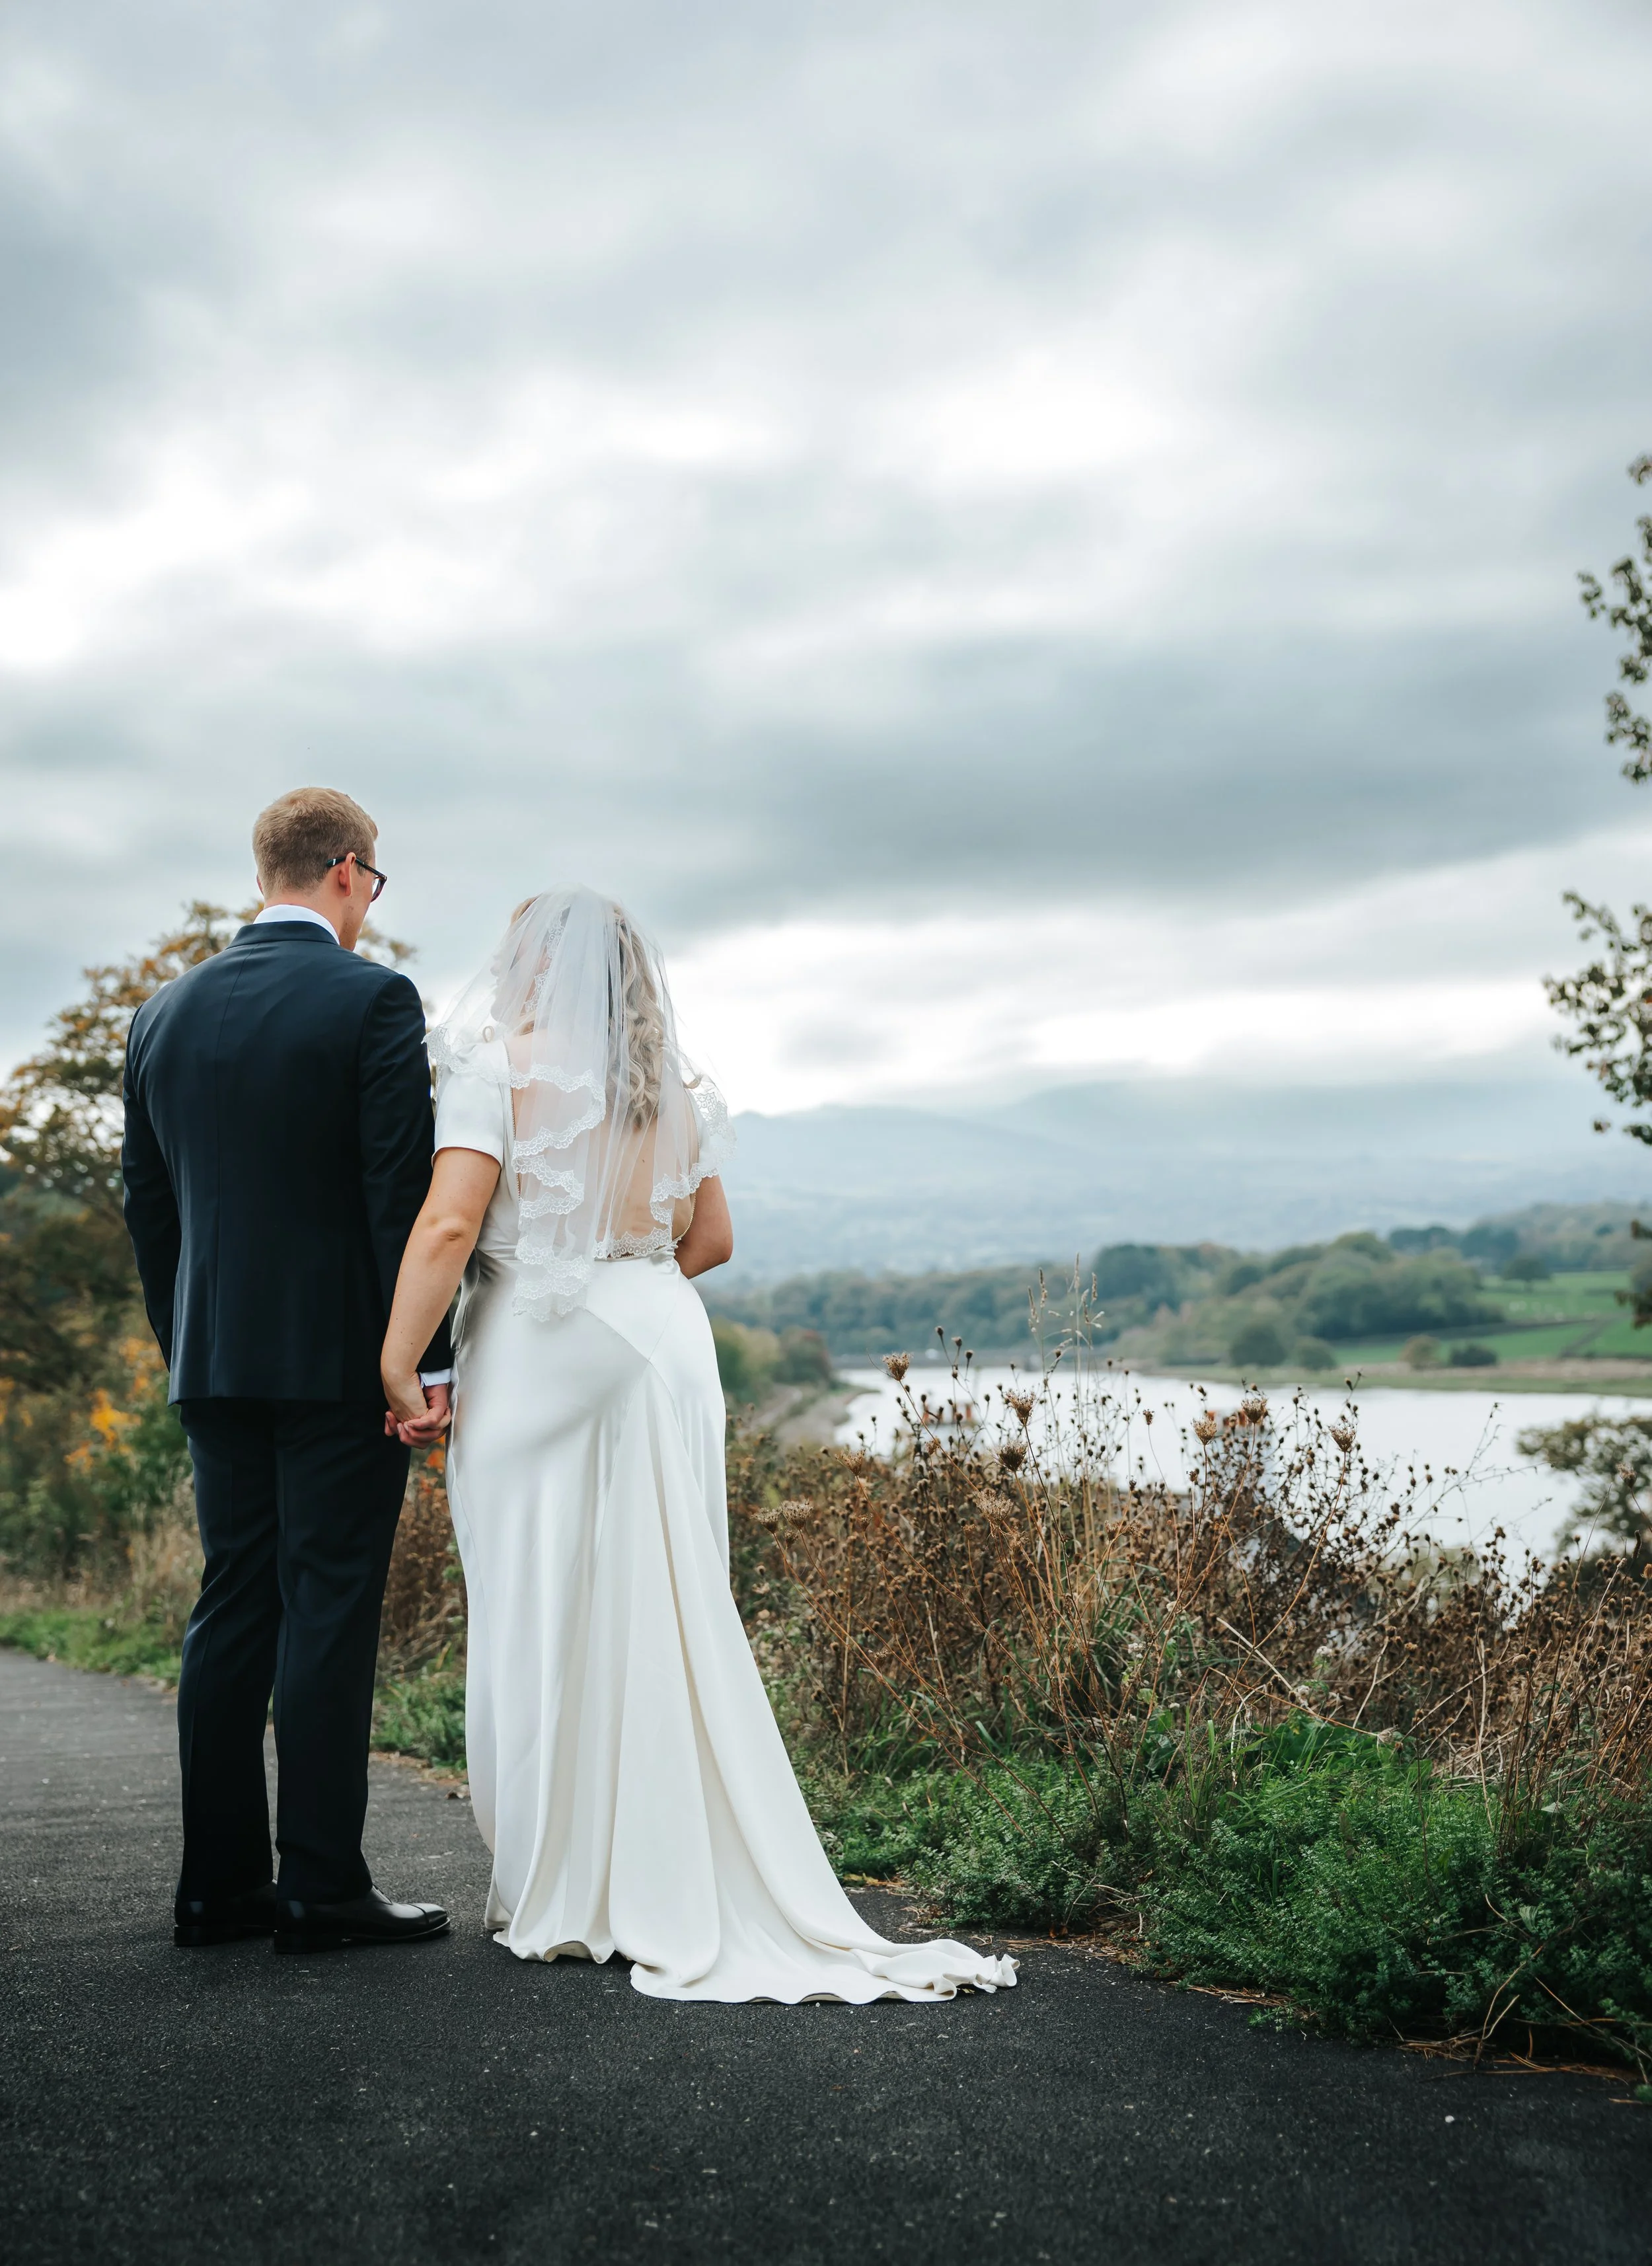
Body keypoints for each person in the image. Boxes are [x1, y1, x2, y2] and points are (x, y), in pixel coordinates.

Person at [379, 886, 1016, 2002]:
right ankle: (668, 1866)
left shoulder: (496, 1066)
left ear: (533, 967)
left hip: (544, 1353)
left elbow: (447, 1222)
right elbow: (709, 1238)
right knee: (664, 1609)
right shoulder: (662, 1084)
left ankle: (565, 1881)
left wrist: (400, 1356)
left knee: (543, 1602)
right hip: (667, 1345)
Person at [122, 787, 453, 1953]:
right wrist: (422, 1364)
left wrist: (189, 1347)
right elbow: (396, 1201)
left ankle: (216, 1888)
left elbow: (149, 1210)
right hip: (338, 1368)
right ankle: (320, 1886)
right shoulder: (373, 998)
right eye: (375, 885)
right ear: (352, 871)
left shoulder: (161, 1013)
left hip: (212, 1361)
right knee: (327, 1608)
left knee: (232, 1607)